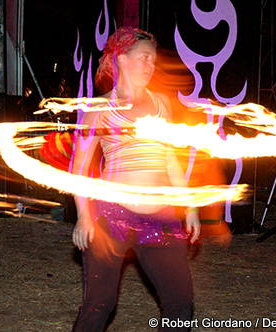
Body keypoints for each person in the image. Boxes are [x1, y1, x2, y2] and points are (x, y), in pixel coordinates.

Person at [71, 27, 200, 332]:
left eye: (153, 60)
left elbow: (170, 161)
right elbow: (79, 166)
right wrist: (84, 217)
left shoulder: (161, 105)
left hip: (161, 219)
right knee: (99, 305)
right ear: (121, 59)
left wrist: (191, 207)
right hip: (112, 216)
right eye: (143, 57)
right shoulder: (100, 108)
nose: (149, 65)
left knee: (180, 304)